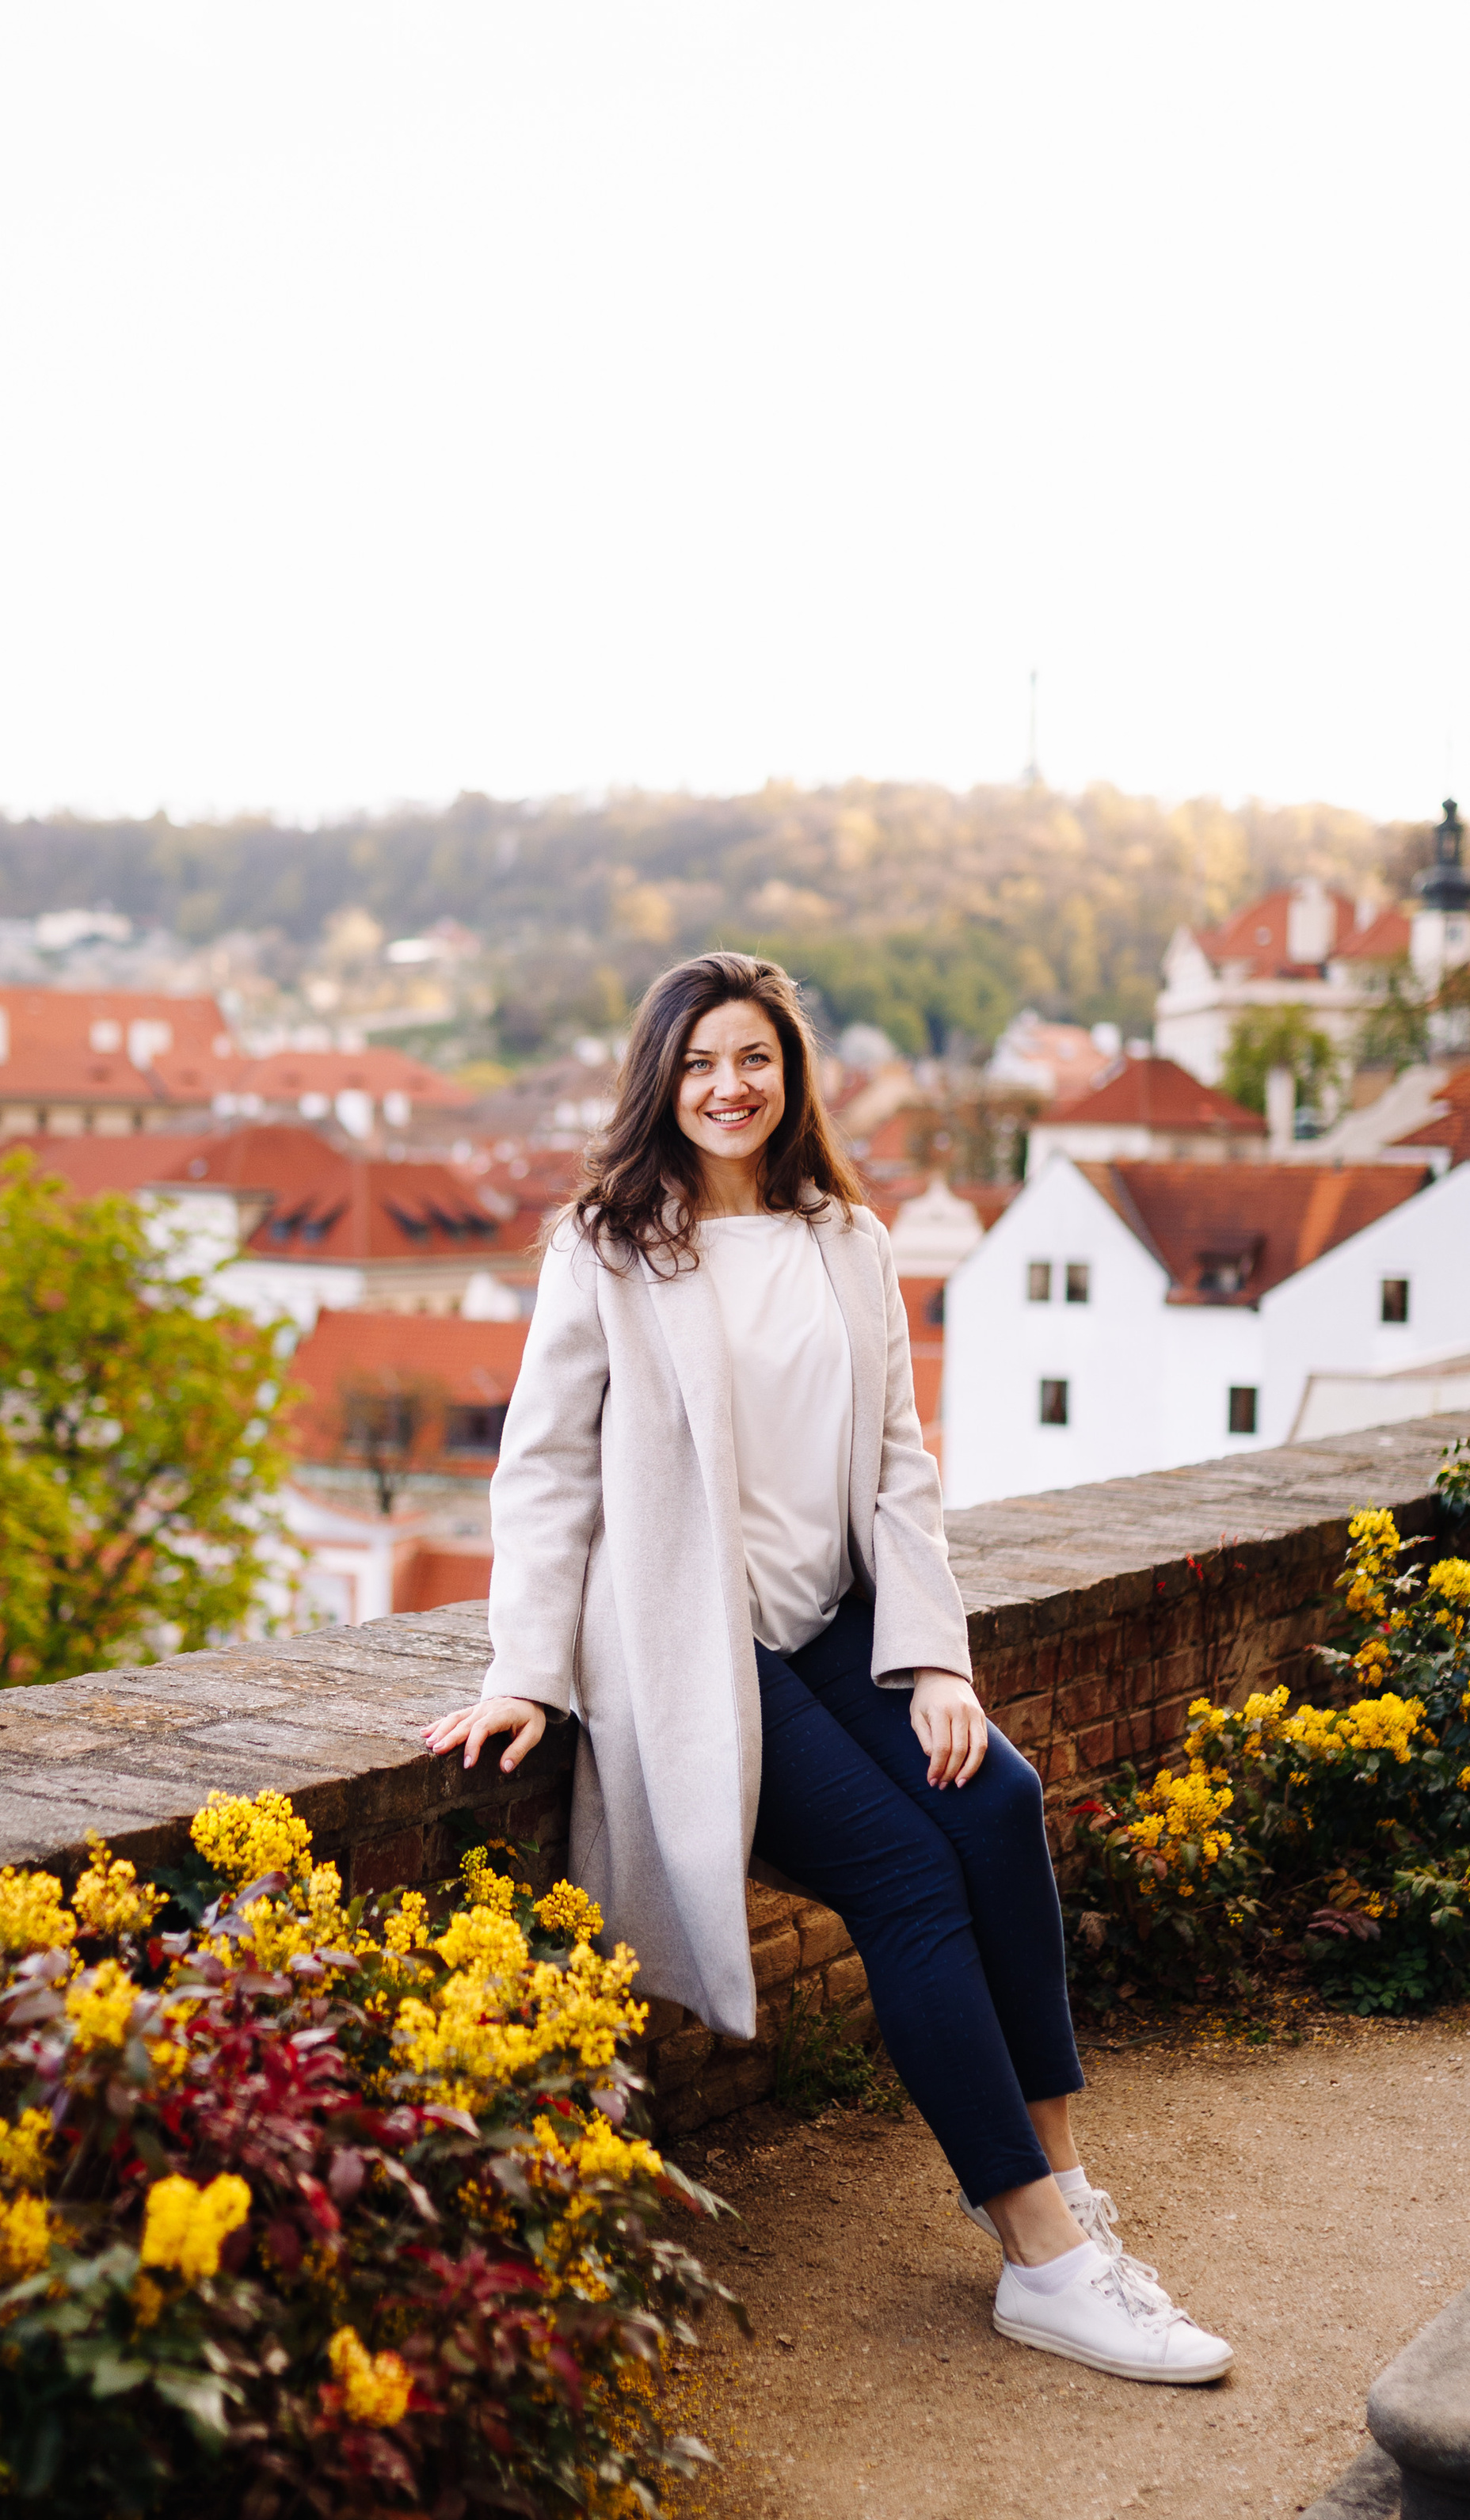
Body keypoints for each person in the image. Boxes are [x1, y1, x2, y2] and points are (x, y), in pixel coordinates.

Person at [422, 952, 1231, 2385]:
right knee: (903, 1878)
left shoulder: (845, 1238)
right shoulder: (607, 1247)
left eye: (754, 1060)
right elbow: (542, 1474)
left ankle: (1060, 2174)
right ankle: (1043, 2262)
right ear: (660, 1085)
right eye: (699, 1066)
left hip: (834, 1617)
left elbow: (901, 1467)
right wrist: (524, 1672)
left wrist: (936, 1660)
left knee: (995, 1802)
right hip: (695, 1641)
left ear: (792, 1075)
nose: (728, 1088)